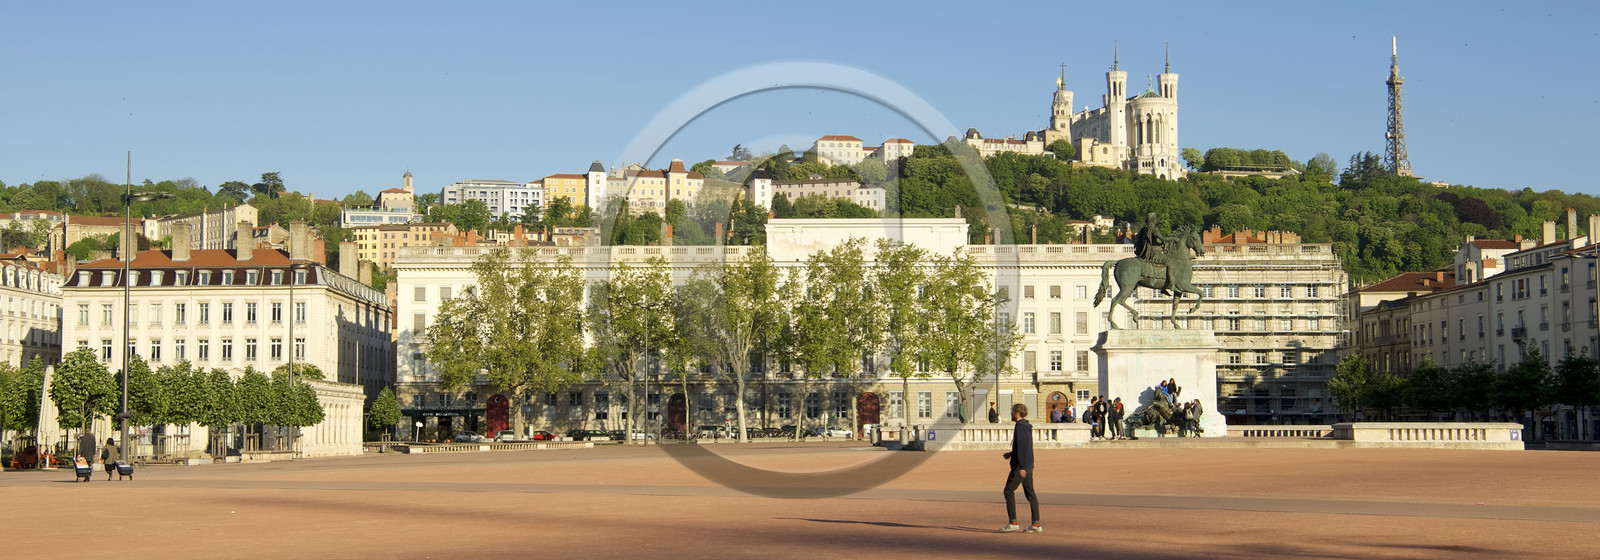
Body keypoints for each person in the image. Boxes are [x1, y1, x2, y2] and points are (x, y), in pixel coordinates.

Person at [1000, 403, 1040, 533]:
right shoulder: (1026, 426)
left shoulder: (1020, 426)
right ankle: (1036, 524)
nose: (1011, 414)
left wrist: (1021, 466)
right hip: (1028, 464)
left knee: (1008, 491)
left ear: (1017, 413)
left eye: (1012, 412)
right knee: (1031, 494)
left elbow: (1022, 447)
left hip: (1021, 467)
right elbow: (1023, 446)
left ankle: (1013, 522)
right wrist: (1011, 454)